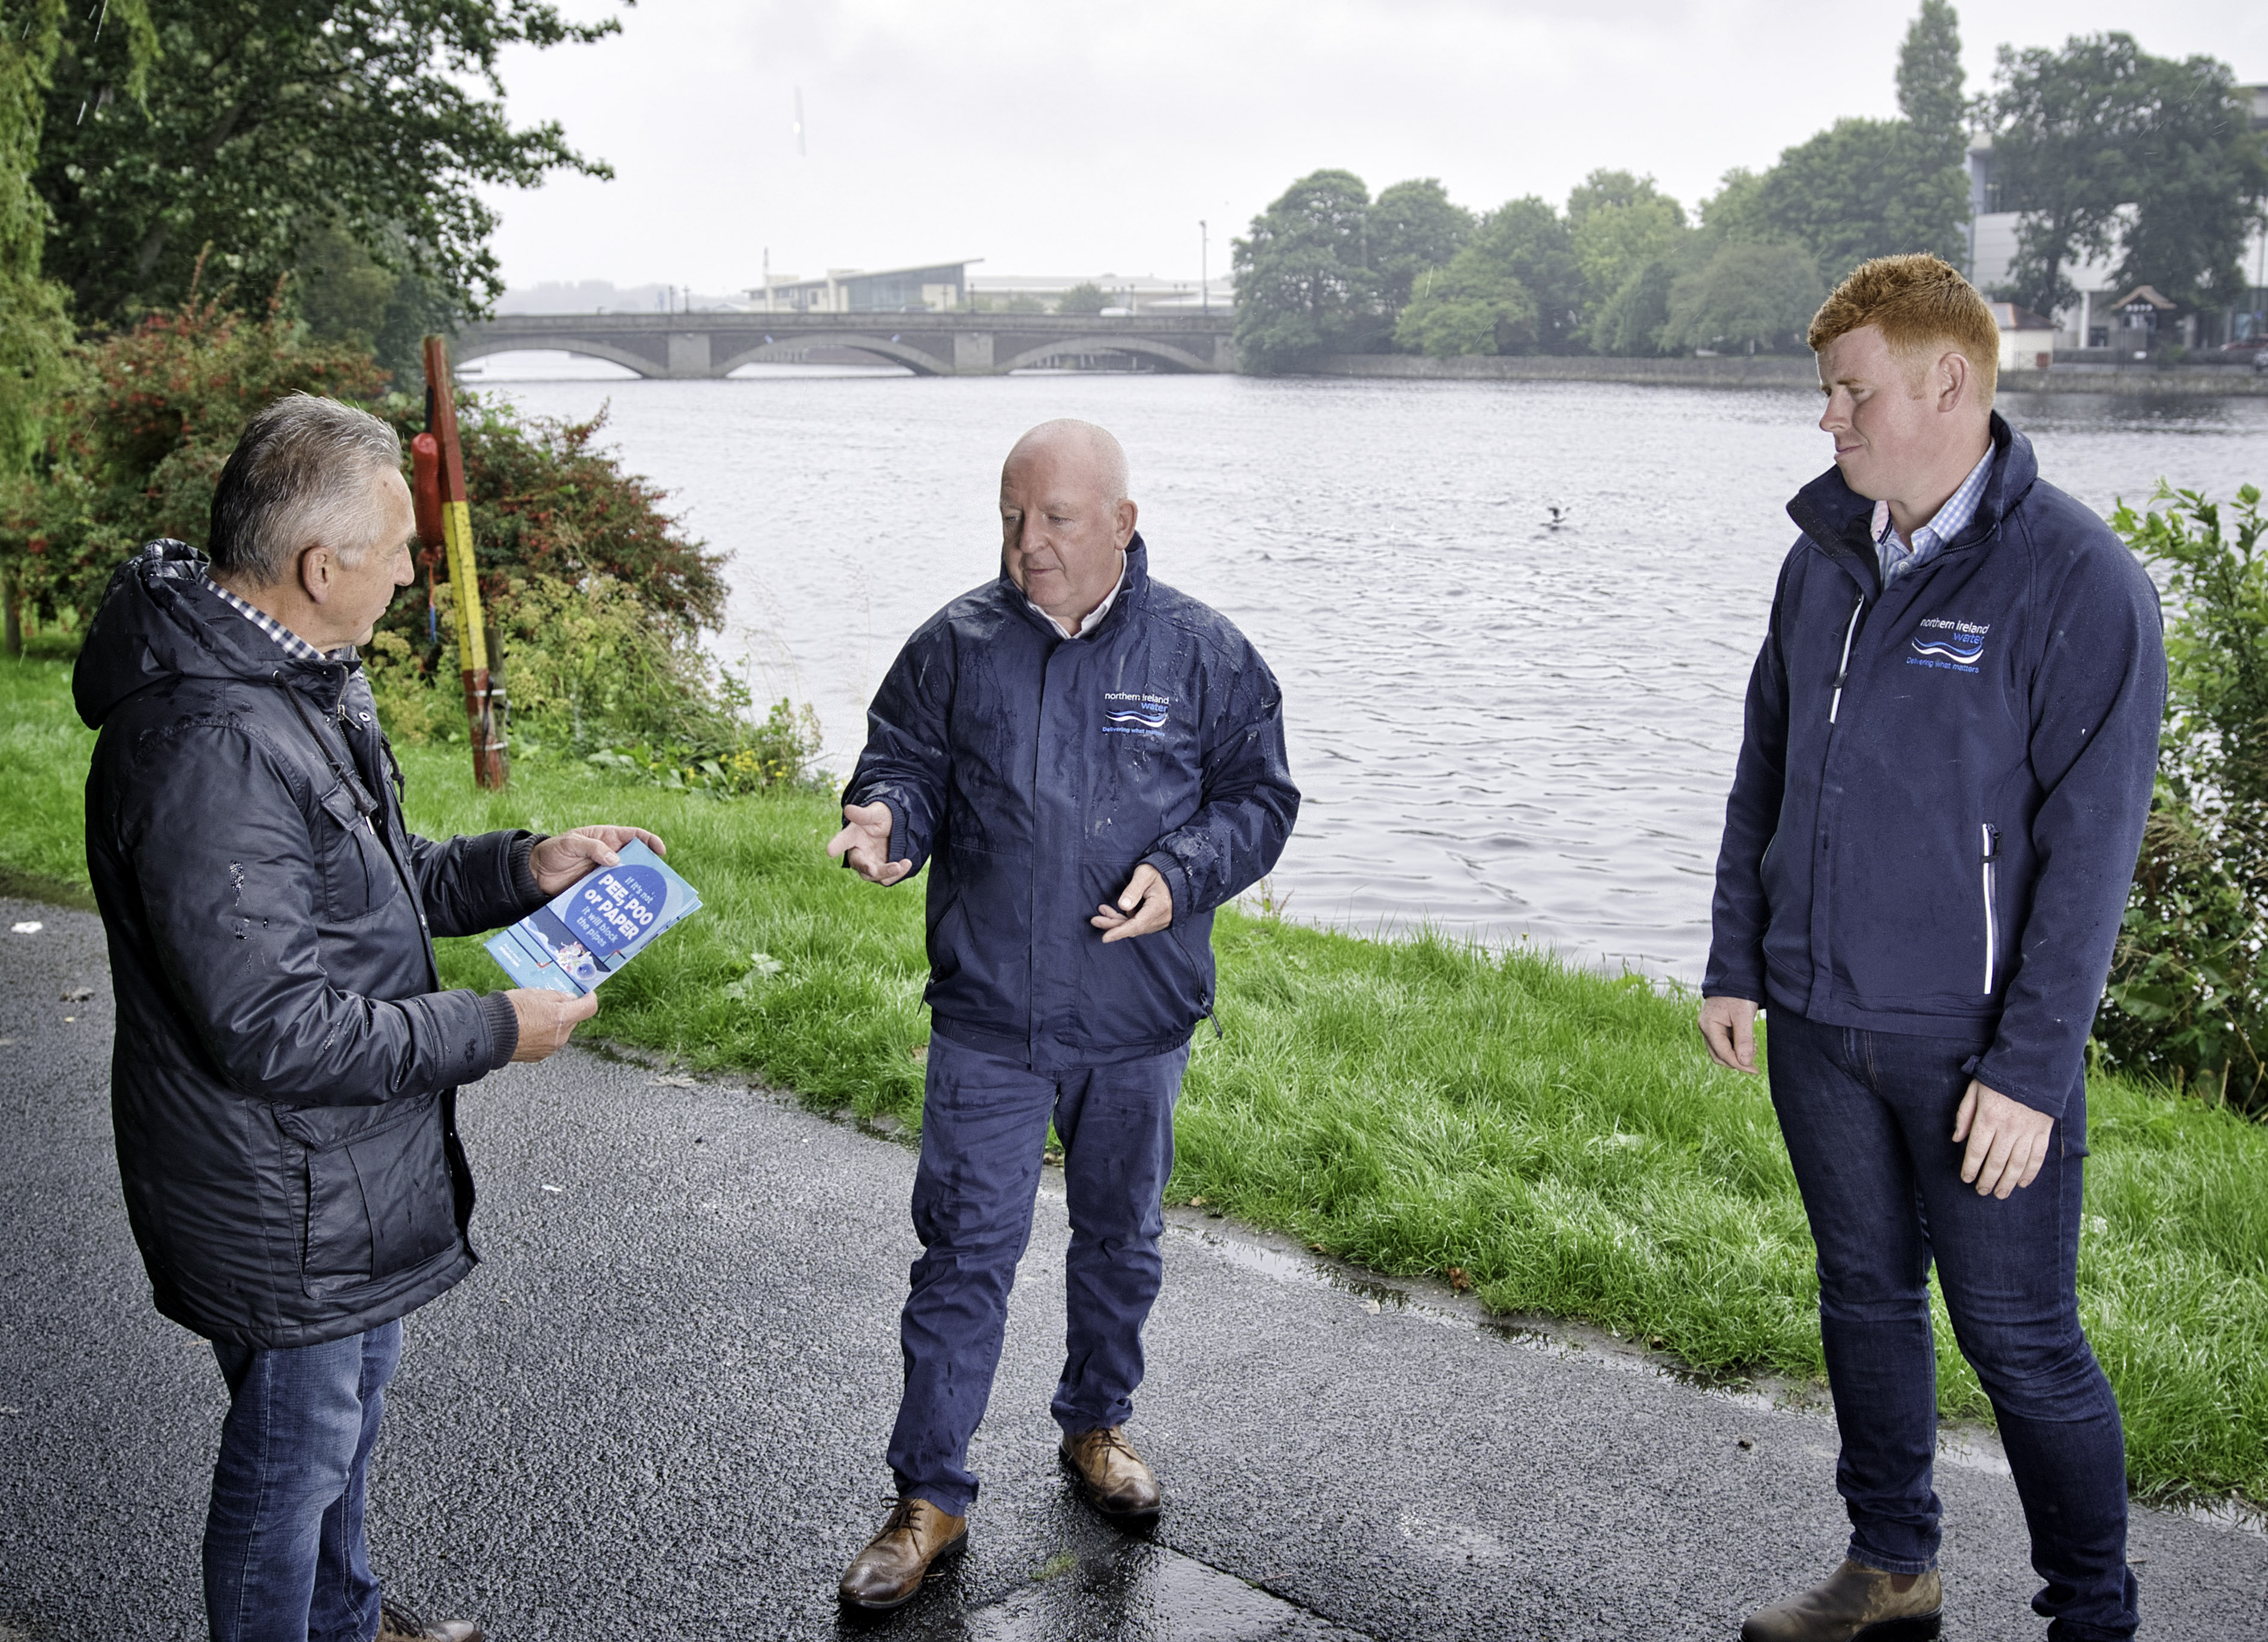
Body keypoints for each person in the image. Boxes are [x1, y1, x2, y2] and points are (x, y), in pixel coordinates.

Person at [73, 394, 665, 1642]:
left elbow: (373, 885)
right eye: (397, 551)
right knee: (291, 1462)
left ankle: (346, 1621)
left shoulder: (291, 674)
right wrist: (499, 1027)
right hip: (278, 1184)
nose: (414, 572)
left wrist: (529, 864)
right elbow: (274, 1025)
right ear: (319, 566)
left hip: (336, 1167)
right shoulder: (211, 742)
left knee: (338, 1422)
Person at [1699, 257, 2164, 1642]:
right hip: (1816, 1023)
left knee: (2023, 1345)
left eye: (1852, 392)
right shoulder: (1822, 558)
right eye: (1828, 393)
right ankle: (1891, 1567)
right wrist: (1739, 958)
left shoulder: (2079, 582)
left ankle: (2094, 1613)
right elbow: (1763, 771)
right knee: (1862, 1299)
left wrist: (2029, 1072)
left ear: (1945, 382)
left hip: (1976, 1059)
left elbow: (2092, 857)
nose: (1828, 422)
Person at [827, 418, 1298, 1612]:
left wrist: (1185, 872)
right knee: (964, 1257)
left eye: (1057, 520)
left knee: (1121, 1238)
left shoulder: (1203, 653)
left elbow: (1260, 796)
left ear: (1123, 525)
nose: (1027, 544)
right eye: (1011, 516)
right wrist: (885, 821)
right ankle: (928, 1497)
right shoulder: (955, 644)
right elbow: (903, 766)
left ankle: (1097, 1427)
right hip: (988, 1012)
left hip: (1136, 1018)